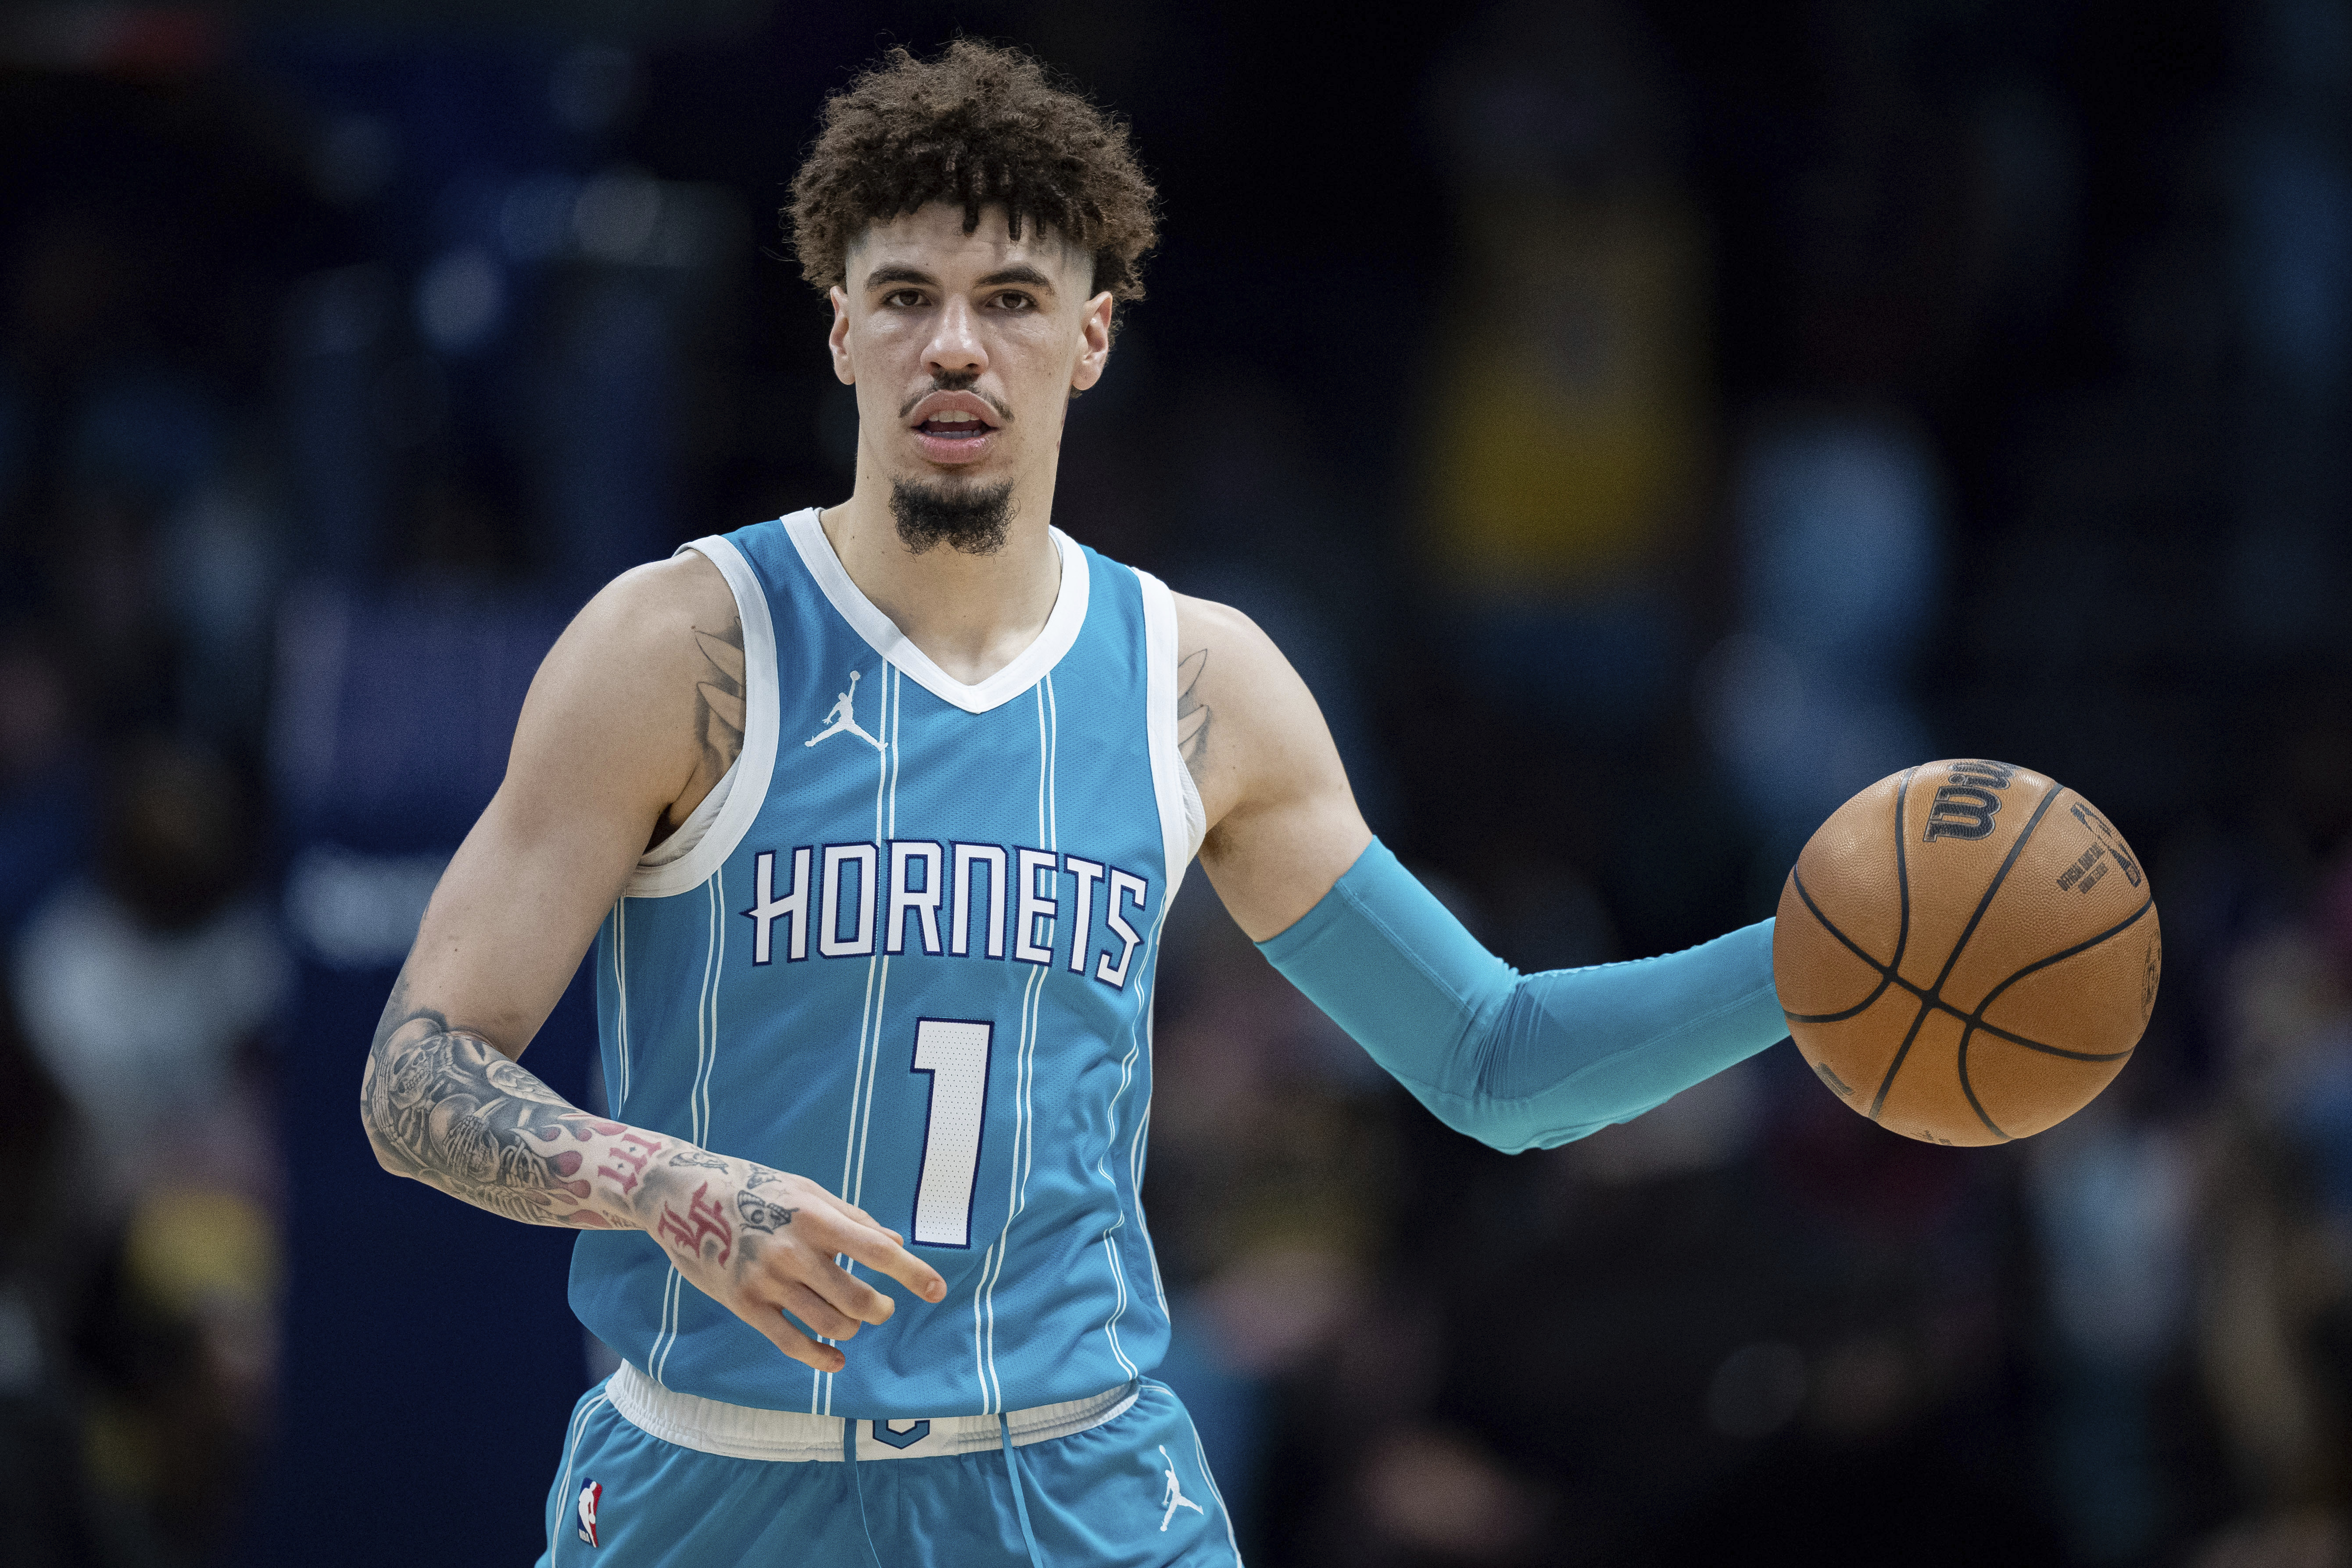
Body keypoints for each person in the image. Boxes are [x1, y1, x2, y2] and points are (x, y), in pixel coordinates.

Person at [358, 40, 1789, 1568]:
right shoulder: (679, 646)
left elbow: (1494, 1061)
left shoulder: (1199, 682)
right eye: (905, 297)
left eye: (1011, 300)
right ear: (839, 329)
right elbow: (415, 1077)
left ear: (1091, 335)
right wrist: (666, 1186)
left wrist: (1808, 965)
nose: (953, 347)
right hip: (720, 1482)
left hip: (1076, 1490)